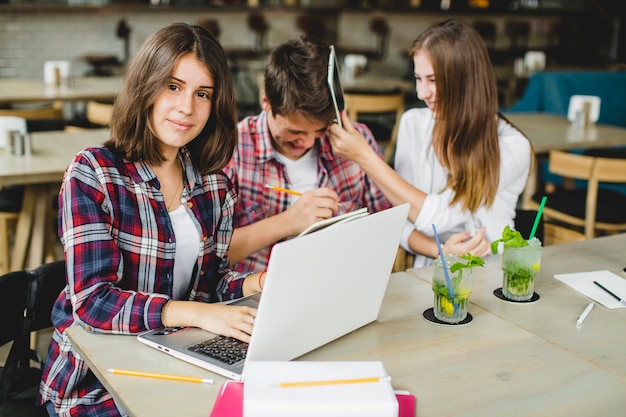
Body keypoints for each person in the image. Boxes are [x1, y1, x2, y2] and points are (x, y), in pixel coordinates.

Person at [38, 23, 264, 417]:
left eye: (203, 94)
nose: (187, 108)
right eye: (173, 87)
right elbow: (93, 302)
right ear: (146, 86)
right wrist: (196, 312)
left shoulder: (214, 186)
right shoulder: (94, 173)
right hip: (94, 381)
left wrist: (257, 283)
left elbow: (210, 287)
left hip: (175, 362)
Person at [329, 19, 532, 267]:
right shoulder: (413, 124)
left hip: (490, 273)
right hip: (429, 273)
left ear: (466, 81)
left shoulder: (511, 146)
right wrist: (440, 250)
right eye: (418, 78)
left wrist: (365, 157)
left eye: (433, 80)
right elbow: (401, 218)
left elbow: (439, 217)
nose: (421, 93)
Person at [223, 35, 392, 273]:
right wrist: (286, 223)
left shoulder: (355, 141)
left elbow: (386, 227)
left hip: (340, 281)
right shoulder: (234, 149)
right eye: (295, 131)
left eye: (320, 129)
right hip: (258, 292)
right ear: (266, 101)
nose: (308, 141)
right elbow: (209, 256)